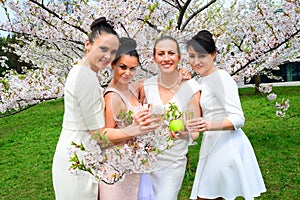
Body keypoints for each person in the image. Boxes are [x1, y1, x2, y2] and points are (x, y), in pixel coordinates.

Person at [52, 17, 159, 200]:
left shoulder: (82, 71)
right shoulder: (86, 77)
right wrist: (136, 129)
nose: (107, 56)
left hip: (80, 154)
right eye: (103, 49)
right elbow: (99, 136)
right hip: (77, 157)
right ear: (88, 44)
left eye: (112, 52)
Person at [186, 30, 266, 200]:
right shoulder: (201, 81)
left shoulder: (221, 77)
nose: (196, 61)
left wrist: (207, 125)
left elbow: (238, 118)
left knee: (206, 196)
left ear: (213, 55)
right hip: (210, 146)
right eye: (192, 56)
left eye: (201, 56)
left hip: (225, 147)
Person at [140, 36, 201, 200]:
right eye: (161, 54)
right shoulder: (146, 86)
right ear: (154, 58)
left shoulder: (191, 87)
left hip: (173, 162)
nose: (166, 58)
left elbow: (195, 130)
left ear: (179, 58)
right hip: (146, 162)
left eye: (171, 53)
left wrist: (186, 134)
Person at [99, 37, 155, 200]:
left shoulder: (131, 88)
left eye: (132, 68)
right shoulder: (112, 97)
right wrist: (135, 131)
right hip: (118, 167)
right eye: (123, 67)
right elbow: (104, 138)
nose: (127, 73)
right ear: (113, 65)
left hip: (135, 165)